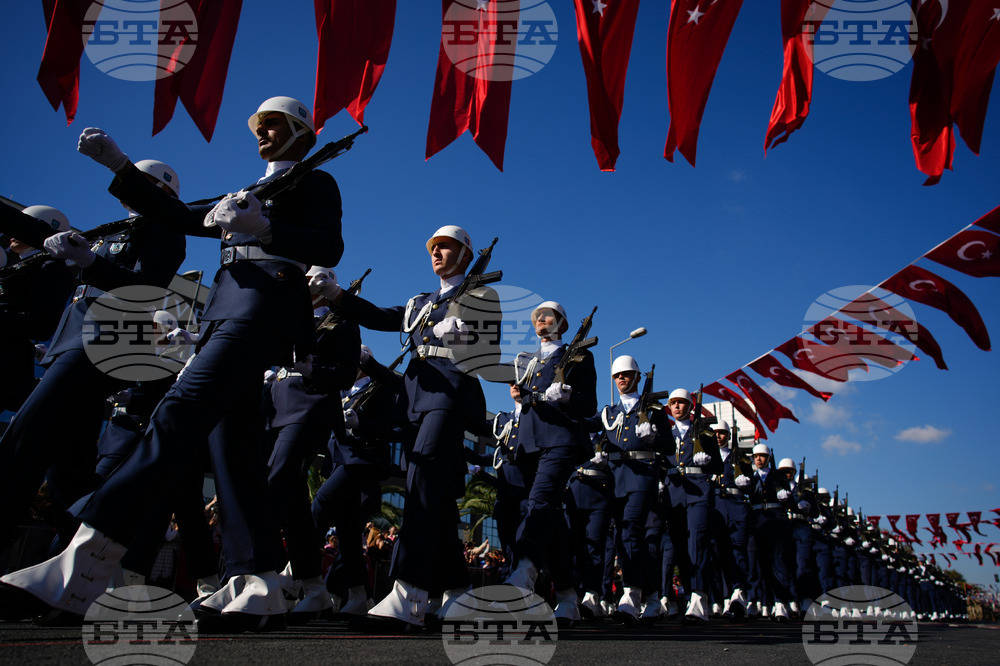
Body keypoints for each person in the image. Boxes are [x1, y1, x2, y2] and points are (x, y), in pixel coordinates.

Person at [0, 96, 342, 634]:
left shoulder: (313, 182)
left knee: (177, 416)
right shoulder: (251, 188)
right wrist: (120, 167)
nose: (263, 133)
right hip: (225, 318)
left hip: (265, 311)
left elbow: (330, 243)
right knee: (236, 450)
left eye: (276, 125)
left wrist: (268, 230)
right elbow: (179, 214)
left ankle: (88, 557)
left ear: (301, 132)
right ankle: (257, 584)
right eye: (260, 126)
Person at [0, 161, 186, 551]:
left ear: (162, 192)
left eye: (141, 182)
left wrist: (90, 263)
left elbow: (145, 287)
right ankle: (82, 563)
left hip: (104, 341)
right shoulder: (116, 230)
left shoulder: (162, 227)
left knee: (26, 437)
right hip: (75, 341)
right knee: (68, 469)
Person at [331, 225, 500, 632]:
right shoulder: (420, 302)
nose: (437, 252)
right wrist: (337, 297)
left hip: (450, 393)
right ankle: (458, 591)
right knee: (435, 497)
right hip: (415, 398)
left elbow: (490, 350)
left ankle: (408, 595)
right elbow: (380, 317)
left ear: (465, 254)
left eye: (446, 246)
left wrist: (465, 337)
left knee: (422, 481)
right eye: (433, 248)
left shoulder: (481, 295)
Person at [264, 265, 360, 624]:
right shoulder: (289, 316)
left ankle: (256, 578)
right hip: (274, 406)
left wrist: (310, 371)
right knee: (292, 502)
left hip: (310, 406)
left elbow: (346, 375)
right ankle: (315, 589)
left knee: (275, 483)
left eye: (314, 280)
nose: (306, 285)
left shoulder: (343, 321)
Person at [506, 300, 597, 626]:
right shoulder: (527, 361)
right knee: (552, 520)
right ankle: (569, 596)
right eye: (536, 317)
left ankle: (524, 572)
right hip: (530, 443)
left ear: (562, 323)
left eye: (547, 316)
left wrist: (568, 396)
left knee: (540, 501)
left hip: (561, 440)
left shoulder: (580, 355)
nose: (540, 320)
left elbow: (590, 405)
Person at [586, 355, 673, 625]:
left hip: (642, 476)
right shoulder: (609, 412)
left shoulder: (655, 411)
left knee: (632, 530)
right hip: (615, 479)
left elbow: (669, 449)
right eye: (617, 376)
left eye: (626, 374)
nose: (621, 379)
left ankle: (631, 594)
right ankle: (653, 597)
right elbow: (584, 426)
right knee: (626, 539)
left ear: (637, 377)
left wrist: (654, 438)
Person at [0, 206, 76, 414]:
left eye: (22, 227)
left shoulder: (50, 268)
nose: (13, 234)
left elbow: (42, 324)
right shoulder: (19, 266)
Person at [664, 388, 723, 623]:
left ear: (690, 407)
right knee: (679, 545)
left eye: (681, 403)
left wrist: (707, 460)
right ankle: (690, 594)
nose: (677, 407)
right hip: (674, 491)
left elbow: (718, 467)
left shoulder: (705, 434)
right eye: (673, 403)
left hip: (698, 488)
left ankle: (700, 597)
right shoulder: (666, 435)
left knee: (697, 541)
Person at [708, 419, 751, 620]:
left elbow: (753, 487)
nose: (718, 436)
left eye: (722, 433)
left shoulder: (740, 458)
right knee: (717, 554)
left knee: (738, 551)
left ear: (728, 436)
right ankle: (722, 598)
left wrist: (746, 482)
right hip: (715, 506)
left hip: (735, 505)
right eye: (715, 433)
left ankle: (738, 592)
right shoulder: (705, 455)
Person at [746, 443, 794, 622]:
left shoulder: (778, 475)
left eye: (762, 456)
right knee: (758, 563)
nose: (758, 459)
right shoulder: (750, 477)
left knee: (778, 561)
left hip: (775, 520)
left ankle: (781, 602)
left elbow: (788, 497)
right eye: (756, 456)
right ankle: (758, 601)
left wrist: (785, 494)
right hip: (757, 520)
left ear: (769, 458)